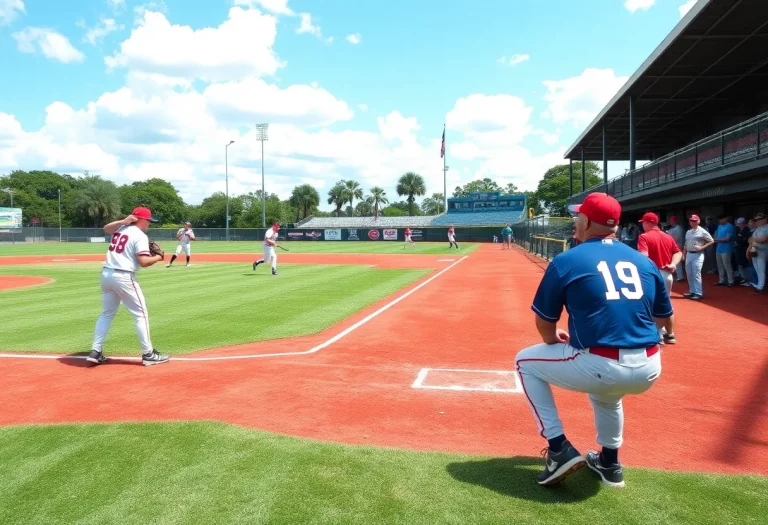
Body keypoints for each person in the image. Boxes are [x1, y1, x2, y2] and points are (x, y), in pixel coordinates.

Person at [515, 193, 673, 488]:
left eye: (578, 217)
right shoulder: (643, 261)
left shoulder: (568, 259)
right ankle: (609, 462)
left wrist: (552, 339)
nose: (575, 221)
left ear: (586, 221)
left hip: (602, 364)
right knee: (608, 396)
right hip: (650, 364)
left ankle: (558, 447)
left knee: (525, 362)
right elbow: (663, 319)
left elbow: (545, 321)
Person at [86, 207, 170, 367]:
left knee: (106, 314)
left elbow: (106, 228)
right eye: (148, 221)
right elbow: (144, 262)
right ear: (140, 219)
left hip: (107, 275)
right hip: (123, 277)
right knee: (141, 314)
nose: (149, 224)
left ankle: (95, 351)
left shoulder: (121, 229)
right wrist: (159, 257)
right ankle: (148, 354)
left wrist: (124, 221)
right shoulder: (139, 235)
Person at [637, 211, 682, 345]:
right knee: (667, 305)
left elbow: (643, 257)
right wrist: (673, 264)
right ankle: (670, 334)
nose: (642, 225)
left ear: (648, 223)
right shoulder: (667, 236)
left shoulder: (644, 236)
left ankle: (658, 334)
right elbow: (678, 252)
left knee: (651, 305)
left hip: (652, 275)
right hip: (667, 274)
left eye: (643, 222)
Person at [683, 215, 715, 300]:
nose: (693, 222)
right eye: (691, 220)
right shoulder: (688, 231)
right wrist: (684, 253)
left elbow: (711, 241)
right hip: (689, 254)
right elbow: (686, 243)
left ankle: (698, 293)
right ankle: (692, 291)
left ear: (698, 221)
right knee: (689, 273)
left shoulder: (702, 231)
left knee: (696, 273)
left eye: (695, 220)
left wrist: (702, 247)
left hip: (698, 254)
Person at [713, 215, 736, 287]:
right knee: (720, 265)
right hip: (719, 248)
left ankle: (731, 281)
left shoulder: (730, 226)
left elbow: (728, 238)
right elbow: (716, 236)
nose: (720, 221)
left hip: (727, 248)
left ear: (725, 219)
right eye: (719, 219)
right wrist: (715, 239)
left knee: (727, 265)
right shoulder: (719, 226)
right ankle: (721, 280)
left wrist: (717, 240)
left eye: (721, 219)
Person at [747, 212, 768, 294]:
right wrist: (755, 240)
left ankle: (761, 287)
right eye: (756, 220)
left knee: (761, 269)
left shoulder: (767, 227)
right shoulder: (757, 228)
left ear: (765, 219)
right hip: (755, 250)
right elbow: (749, 240)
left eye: (759, 219)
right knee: (757, 268)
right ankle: (759, 285)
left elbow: (764, 239)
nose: (757, 221)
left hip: (763, 250)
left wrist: (754, 239)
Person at [666, 216, 685, 282]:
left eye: (672, 221)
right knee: (675, 261)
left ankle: (680, 276)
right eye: (671, 221)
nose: (671, 222)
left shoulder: (678, 228)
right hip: (674, 246)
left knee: (678, 262)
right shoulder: (673, 228)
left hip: (677, 246)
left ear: (675, 221)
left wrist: (668, 236)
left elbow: (676, 238)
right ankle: (678, 276)